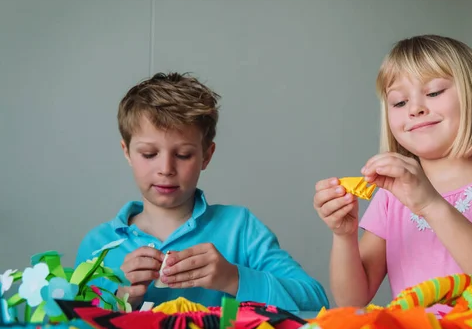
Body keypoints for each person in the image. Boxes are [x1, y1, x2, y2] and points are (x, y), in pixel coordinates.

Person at [313, 35, 472, 313]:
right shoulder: (391, 197)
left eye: (434, 92)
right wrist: (344, 236)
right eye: (399, 102)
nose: (415, 109)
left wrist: (432, 206)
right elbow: (353, 300)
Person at [76, 72, 329, 312]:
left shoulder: (241, 229)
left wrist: (233, 278)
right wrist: (121, 298)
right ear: (126, 152)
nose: (166, 169)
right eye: (149, 154)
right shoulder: (98, 246)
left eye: (183, 155)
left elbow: (316, 302)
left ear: (206, 156)